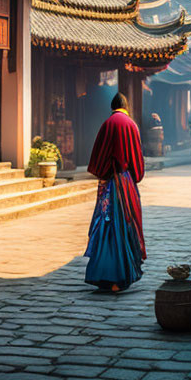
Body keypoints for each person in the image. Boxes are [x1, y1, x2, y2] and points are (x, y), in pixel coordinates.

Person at [84, 93, 146, 292]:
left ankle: (104, 275)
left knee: (107, 227)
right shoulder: (131, 125)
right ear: (126, 106)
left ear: (112, 106)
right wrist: (133, 176)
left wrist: (103, 174)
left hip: (110, 182)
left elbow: (98, 155)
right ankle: (122, 276)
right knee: (126, 226)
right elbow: (137, 157)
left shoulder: (108, 124)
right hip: (125, 183)